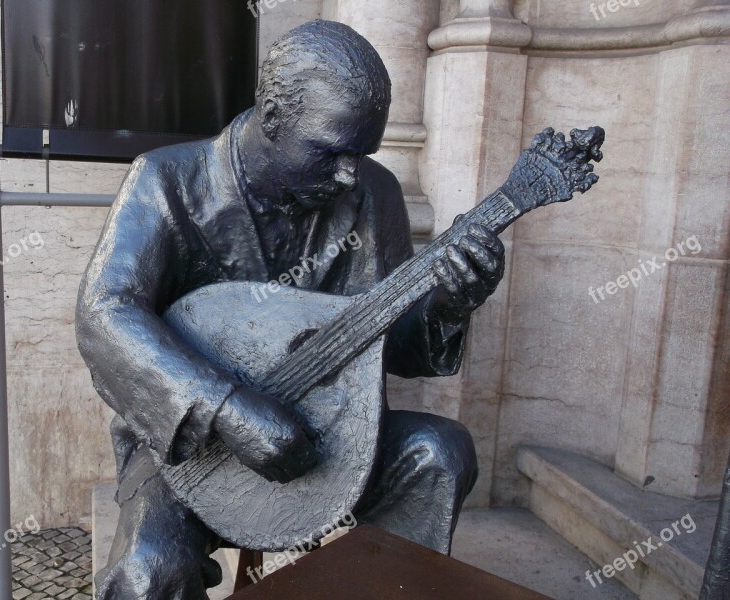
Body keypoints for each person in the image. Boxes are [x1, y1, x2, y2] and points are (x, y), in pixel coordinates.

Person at [76, 20, 504, 599]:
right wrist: (227, 409)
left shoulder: (371, 193)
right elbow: (105, 312)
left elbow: (393, 343)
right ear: (273, 117)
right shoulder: (166, 182)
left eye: (363, 153)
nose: (350, 174)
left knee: (440, 453)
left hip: (330, 439)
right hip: (191, 455)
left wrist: (451, 300)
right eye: (330, 153)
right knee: (149, 569)